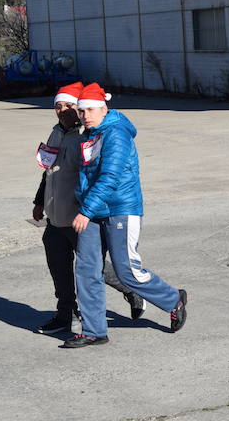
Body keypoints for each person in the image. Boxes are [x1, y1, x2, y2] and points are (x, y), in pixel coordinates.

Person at [64, 83, 187, 348]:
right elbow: (87, 175)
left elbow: (110, 176)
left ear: (104, 108)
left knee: (126, 270)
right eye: (82, 111)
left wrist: (85, 211)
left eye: (91, 110)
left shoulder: (116, 133)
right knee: (86, 270)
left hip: (120, 209)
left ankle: (173, 299)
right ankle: (94, 330)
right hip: (93, 210)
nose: (85, 116)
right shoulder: (90, 134)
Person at [31, 82, 146, 335]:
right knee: (59, 270)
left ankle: (131, 290)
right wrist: (39, 202)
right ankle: (66, 315)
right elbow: (49, 171)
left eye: (69, 105)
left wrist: (87, 211)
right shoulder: (56, 133)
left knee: (93, 268)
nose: (63, 110)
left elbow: (97, 177)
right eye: (58, 106)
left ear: (80, 107)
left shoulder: (88, 136)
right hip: (54, 216)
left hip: (79, 216)